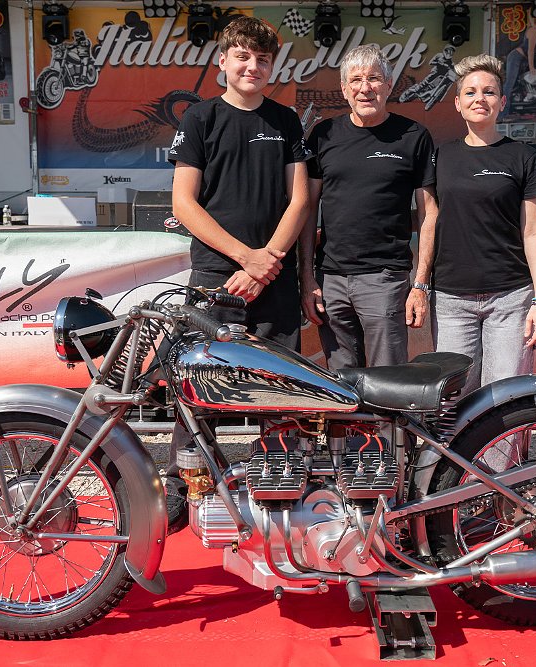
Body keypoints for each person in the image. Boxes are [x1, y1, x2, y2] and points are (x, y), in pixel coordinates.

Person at [165, 16, 310, 531]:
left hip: (275, 276)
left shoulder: (287, 120)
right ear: (222, 61)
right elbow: (184, 204)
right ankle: (187, 486)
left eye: (263, 59)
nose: (253, 67)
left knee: (283, 388)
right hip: (213, 275)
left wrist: (266, 260)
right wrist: (245, 258)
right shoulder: (200, 120)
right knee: (196, 383)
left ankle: (280, 485)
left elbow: (300, 200)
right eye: (243, 57)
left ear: (273, 66)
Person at [299, 44, 437, 370]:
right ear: (344, 89)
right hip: (329, 280)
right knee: (342, 388)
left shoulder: (414, 136)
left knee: (387, 386)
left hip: (385, 280)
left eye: (374, 78)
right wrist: (307, 279)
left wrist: (419, 285)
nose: (365, 88)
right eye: (356, 80)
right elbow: (306, 211)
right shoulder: (323, 134)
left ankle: (388, 425)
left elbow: (430, 213)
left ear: (389, 86)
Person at [425, 53, 536, 401]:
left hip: (510, 296)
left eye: (489, 92)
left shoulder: (524, 156)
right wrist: (420, 284)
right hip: (451, 298)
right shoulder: (440, 157)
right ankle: (456, 459)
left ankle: (501, 460)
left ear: (502, 102)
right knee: (452, 398)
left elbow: (534, 230)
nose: (480, 99)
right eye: (470, 92)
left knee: (505, 398)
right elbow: (428, 221)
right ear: (457, 103)